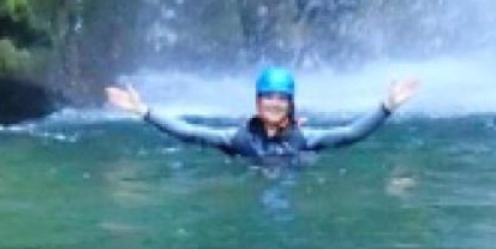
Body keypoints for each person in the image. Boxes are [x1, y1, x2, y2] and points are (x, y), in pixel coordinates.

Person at [105, 65, 421, 160]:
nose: (274, 103)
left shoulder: (303, 138)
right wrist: (144, 111)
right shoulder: (239, 138)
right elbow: (189, 132)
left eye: (281, 98)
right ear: (258, 102)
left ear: (290, 104)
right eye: (268, 97)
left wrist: (386, 107)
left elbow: (349, 134)